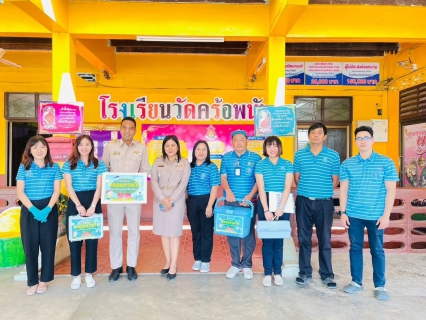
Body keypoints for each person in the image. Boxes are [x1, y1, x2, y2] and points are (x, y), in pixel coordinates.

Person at [339, 126, 399, 301]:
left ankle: (380, 286)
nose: (362, 141)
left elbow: (391, 191)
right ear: (355, 141)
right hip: (354, 215)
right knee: (355, 248)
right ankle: (356, 282)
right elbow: (343, 190)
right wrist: (343, 213)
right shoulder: (348, 163)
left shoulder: (386, 162)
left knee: (377, 250)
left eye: (366, 137)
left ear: (373, 140)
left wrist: (386, 215)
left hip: (376, 216)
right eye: (359, 138)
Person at [102, 116, 150, 282]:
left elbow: (145, 171)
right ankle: (116, 266)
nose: (128, 131)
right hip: (114, 198)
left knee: (134, 232)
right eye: (125, 128)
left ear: (135, 131)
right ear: (120, 129)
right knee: (115, 232)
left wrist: (134, 185)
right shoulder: (110, 147)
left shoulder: (142, 148)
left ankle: (131, 266)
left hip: (134, 197)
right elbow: (105, 169)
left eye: (131, 128)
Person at [293, 123, 340, 289]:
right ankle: (304, 272)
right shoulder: (299, 155)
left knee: (325, 239)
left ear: (325, 137)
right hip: (304, 201)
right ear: (309, 136)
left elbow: (335, 181)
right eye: (312, 132)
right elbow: (297, 179)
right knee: (304, 238)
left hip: (324, 202)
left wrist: (320, 191)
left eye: (319, 133)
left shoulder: (333, 156)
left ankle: (327, 274)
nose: (316, 135)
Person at [15, 135, 63, 296]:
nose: (39, 150)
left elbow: (57, 190)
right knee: (30, 247)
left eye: (42, 146)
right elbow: (20, 192)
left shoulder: (54, 167)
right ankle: (32, 281)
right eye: (35, 147)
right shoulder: (24, 167)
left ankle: (44, 281)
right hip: (29, 210)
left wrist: (48, 209)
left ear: (47, 149)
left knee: (48, 246)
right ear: (30, 150)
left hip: (49, 209)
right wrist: (34, 210)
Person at [62, 135, 107, 290]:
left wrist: (93, 205)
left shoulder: (99, 164)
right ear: (76, 146)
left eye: (87, 144)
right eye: (81, 144)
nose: (84, 147)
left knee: (92, 240)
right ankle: (76, 276)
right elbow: (69, 187)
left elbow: (99, 187)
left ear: (92, 146)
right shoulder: (69, 164)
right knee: (74, 240)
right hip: (75, 202)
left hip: (93, 200)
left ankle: (88, 274)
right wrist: (79, 205)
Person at [220, 129, 261, 280]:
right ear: (232, 142)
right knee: (232, 231)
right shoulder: (226, 157)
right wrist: (228, 191)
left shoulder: (256, 158)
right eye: (235, 139)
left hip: (249, 202)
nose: (238, 142)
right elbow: (223, 177)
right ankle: (235, 264)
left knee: (248, 233)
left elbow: (258, 180)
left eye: (241, 139)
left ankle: (247, 264)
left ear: (246, 141)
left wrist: (249, 197)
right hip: (231, 201)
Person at [255, 136, 294, 287]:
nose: (272, 148)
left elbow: (287, 187)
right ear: (265, 148)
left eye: (275, 145)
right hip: (265, 204)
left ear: (279, 148)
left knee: (279, 240)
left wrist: (281, 207)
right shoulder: (260, 165)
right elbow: (261, 188)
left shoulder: (287, 164)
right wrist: (266, 210)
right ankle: (266, 272)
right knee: (267, 240)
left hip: (283, 204)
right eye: (269, 146)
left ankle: (277, 272)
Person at [151, 135, 190, 280]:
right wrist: (162, 199)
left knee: (173, 232)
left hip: (176, 200)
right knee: (163, 231)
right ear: (164, 148)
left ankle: (173, 264)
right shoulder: (158, 161)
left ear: (178, 147)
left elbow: (183, 184)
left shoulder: (184, 163)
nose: (170, 148)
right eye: (167, 146)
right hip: (159, 199)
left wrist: (171, 200)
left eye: (173, 145)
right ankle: (167, 261)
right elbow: (154, 181)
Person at [186, 140, 220, 273]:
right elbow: (184, 186)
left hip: (207, 200)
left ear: (208, 152)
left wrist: (210, 206)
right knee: (195, 232)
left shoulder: (212, 167)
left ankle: (206, 260)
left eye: (204, 149)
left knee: (206, 232)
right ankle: (197, 259)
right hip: (192, 201)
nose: (201, 152)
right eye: (198, 149)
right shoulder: (189, 167)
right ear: (194, 151)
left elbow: (215, 186)